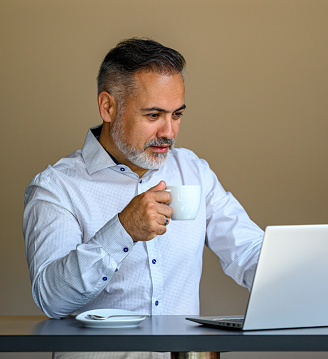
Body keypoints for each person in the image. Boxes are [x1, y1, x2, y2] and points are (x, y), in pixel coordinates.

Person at [23, 38, 264, 359]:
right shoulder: (57, 187)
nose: (169, 131)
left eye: (177, 114)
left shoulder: (194, 171)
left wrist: (306, 279)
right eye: (153, 115)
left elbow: (247, 251)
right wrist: (122, 229)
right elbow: (52, 299)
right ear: (108, 107)